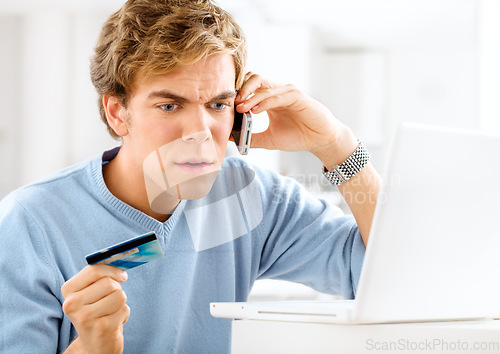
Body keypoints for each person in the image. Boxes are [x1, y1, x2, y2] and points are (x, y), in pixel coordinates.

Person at [0, 0, 381, 352]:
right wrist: (91, 348)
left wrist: (336, 145)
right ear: (118, 112)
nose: (199, 133)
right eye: (169, 105)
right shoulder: (30, 223)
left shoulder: (248, 195)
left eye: (218, 104)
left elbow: (387, 274)